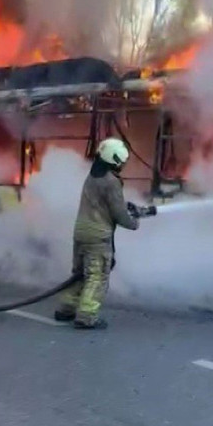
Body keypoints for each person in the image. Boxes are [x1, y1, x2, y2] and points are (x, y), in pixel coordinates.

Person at [54, 138, 140, 329]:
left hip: (81, 232)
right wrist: (134, 223)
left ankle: (65, 309)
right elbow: (118, 214)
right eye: (122, 162)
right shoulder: (112, 182)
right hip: (97, 237)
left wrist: (129, 208)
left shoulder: (93, 175)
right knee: (97, 276)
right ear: (115, 160)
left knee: (79, 274)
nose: (124, 165)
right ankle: (87, 315)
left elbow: (103, 204)